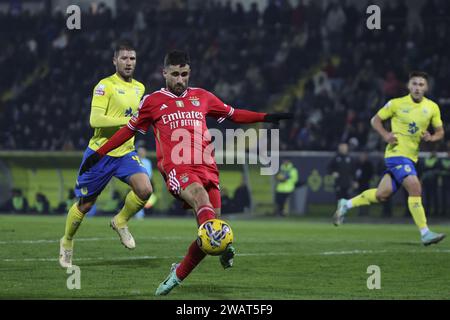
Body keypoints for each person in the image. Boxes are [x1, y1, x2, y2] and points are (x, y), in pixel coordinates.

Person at [79, 50, 292, 295]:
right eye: (175, 74)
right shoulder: (152, 101)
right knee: (204, 207)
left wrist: (266, 117)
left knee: (212, 230)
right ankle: (188, 270)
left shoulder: (202, 96)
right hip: (177, 169)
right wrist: (99, 153)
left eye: (185, 74)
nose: (180, 80)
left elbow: (234, 115)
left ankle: (192, 263)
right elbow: (128, 131)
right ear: (165, 73)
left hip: (208, 168)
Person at [59, 41, 153, 268]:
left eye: (132, 58)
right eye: (124, 58)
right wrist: (129, 122)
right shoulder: (105, 86)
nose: (129, 63)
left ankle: (120, 221)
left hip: (125, 153)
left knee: (145, 189)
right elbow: (95, 120)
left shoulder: (140, 88)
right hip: (101, 153)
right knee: (85, 205)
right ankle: (67, 241)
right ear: (115, 61)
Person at [333, 71, 446, 246]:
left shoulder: (432, 107)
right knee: (415, 187)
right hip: (396, 154)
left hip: (411, 158)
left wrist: (431, 137)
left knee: (381, 195)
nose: (417, 87)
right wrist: (385, 135)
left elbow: (440, 132)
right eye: (414, 84)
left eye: (421, 84)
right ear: (409, 86)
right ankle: (425, 233)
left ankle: (346, 204)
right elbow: (374, 120)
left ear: (427, 87)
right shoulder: (396, 104)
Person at [135, 146, 154, 219]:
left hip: (146, 182)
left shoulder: (147, 162)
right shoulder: (135, 161)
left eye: (142, 152)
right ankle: (139, 214)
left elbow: (150, 173)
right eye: (140, 152)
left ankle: (144, 212)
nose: (141, 153)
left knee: (144, 199)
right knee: (137, 198)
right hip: (137, 182)